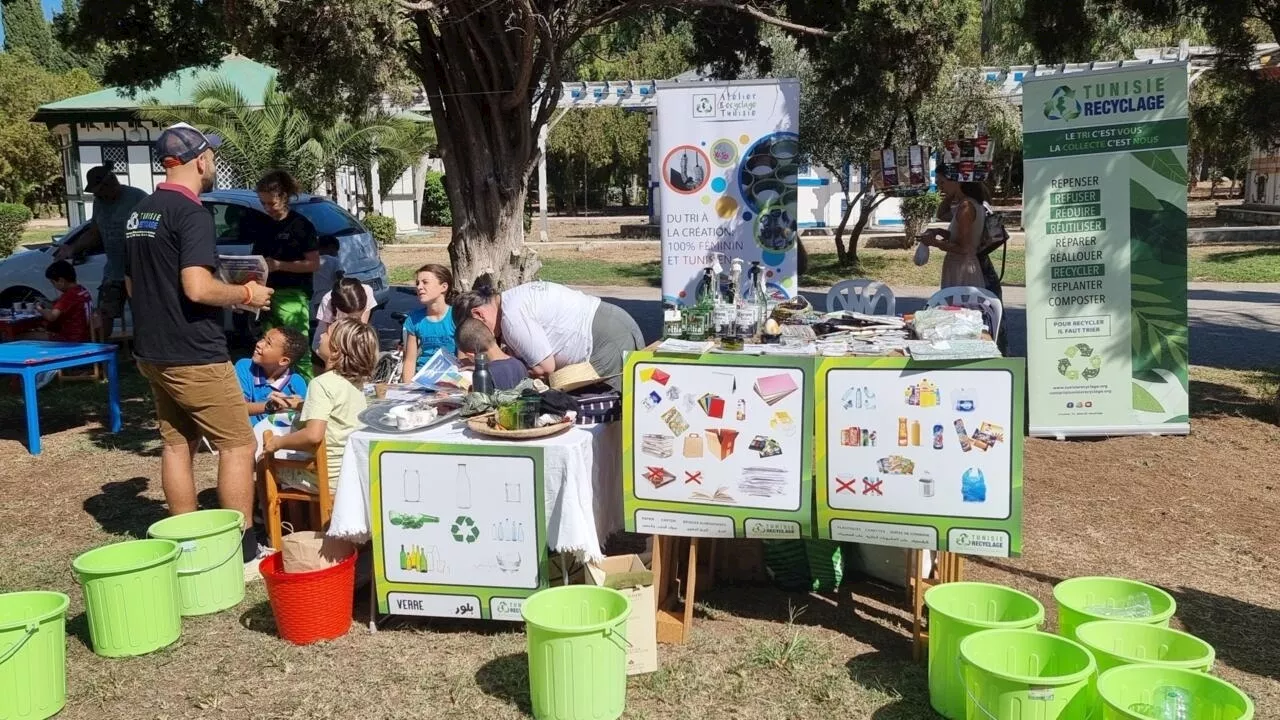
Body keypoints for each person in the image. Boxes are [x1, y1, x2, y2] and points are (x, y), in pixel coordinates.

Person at [124, 122, 273, 577]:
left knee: (177, 444)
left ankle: (185, 545)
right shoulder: (192, 214)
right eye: (211, 156)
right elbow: (196, 286)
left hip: (151, 350)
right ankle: (242, 555)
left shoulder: (139, 213)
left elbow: (132, 284)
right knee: (237, 443)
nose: (212, 164)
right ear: (200, 160)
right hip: (194, 351)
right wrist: (247, 295)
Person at [452, 280, 644, 392]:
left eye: (473, 327)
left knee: (616, 416)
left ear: (478, 314)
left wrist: (500, 367)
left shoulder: (511, 318)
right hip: (612, 325)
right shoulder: (512, 299)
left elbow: (545, 368)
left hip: (606, 340)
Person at [263, 317, 377, 492]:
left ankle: (266, 516)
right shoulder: (355, 382)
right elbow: (337, 413)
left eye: (326, 333)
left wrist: (278, 442)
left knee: (262, 464)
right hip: (348, 473)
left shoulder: (321, 383)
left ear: (336, 348)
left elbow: (313, 435)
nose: (321, 336)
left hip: (323, 477)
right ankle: (303, 518)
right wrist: (302, 405)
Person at [240, 170, 319, 378]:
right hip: (266, 296)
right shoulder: (262, 226)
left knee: (296, 351)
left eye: (271, 203)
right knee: (268, 352)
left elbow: (313, 264)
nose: (268, 208)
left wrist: (279, 265)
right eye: (263, 203)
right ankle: (272, 392)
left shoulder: (302, 226)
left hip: (293, 296)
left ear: (284, 197)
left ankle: (306, 396)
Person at [54, 166, 148, 330]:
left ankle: (143, 352)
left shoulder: (138, 198)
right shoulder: (100, 202)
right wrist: (72, 248)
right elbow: (94, 233)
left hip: (139, 271)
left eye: (99, 192)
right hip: (114, 271)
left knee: (144, 318)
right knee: (102, 316)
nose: (97, 196)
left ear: (111, 184)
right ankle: (102, 351)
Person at [918, 174, 987, 290]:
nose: (940, 187)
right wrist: (939, 231)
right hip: (958, 266)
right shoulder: (968, 203)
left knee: (960, 307)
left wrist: (934, 242)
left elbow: (964, 248)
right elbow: (957, 234)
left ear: (957, 181)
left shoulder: (967, 207)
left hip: (962, 269)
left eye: (942, 183)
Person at [234, 327, 309, 426]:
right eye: (263, 338)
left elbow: (301, 420)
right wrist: (272, 406)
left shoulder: (297, 383)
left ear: (284, 361)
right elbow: (237, 408)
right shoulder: (245, 366)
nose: (259, 344)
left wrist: (296, 406)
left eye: (268, 343)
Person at [400, 263, 456, 382]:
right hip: (423, 380)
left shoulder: (457, 317)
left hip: (452, 381)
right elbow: (410, 360)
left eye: (425, 282)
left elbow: (464, 358)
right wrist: (407, 388)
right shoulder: (413, 319)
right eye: (417, 283)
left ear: (444, 287)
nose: (419, 287)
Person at [455, 317, 529, 390]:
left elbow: (480, 401)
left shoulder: (484, 377)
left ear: (470, 355)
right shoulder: (519, 365)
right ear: (492, 333)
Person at [313, 276, 375, 355]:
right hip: (327, 347)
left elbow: (362, 327)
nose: (355, 320)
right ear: (338, 309)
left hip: (352, 345)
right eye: (350, 317)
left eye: (358, 316)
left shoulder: (367, 291)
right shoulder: (327, 300)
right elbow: (330, 336)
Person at [34, 261, 92, 343]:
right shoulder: (81, 290)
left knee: (24, 336)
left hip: (71, 339)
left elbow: (51, 317)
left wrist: (39, 308)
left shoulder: (69, 295)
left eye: (53, 283)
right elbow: (65, 306)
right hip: (85, 336)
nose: (54, 286)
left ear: (61, 281)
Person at [311, 234, 341, 306]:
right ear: (332, 247)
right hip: (331, 297)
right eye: (336, 250)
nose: (337, 254)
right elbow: (340, 277)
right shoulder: (334, 260)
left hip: (317, 299)